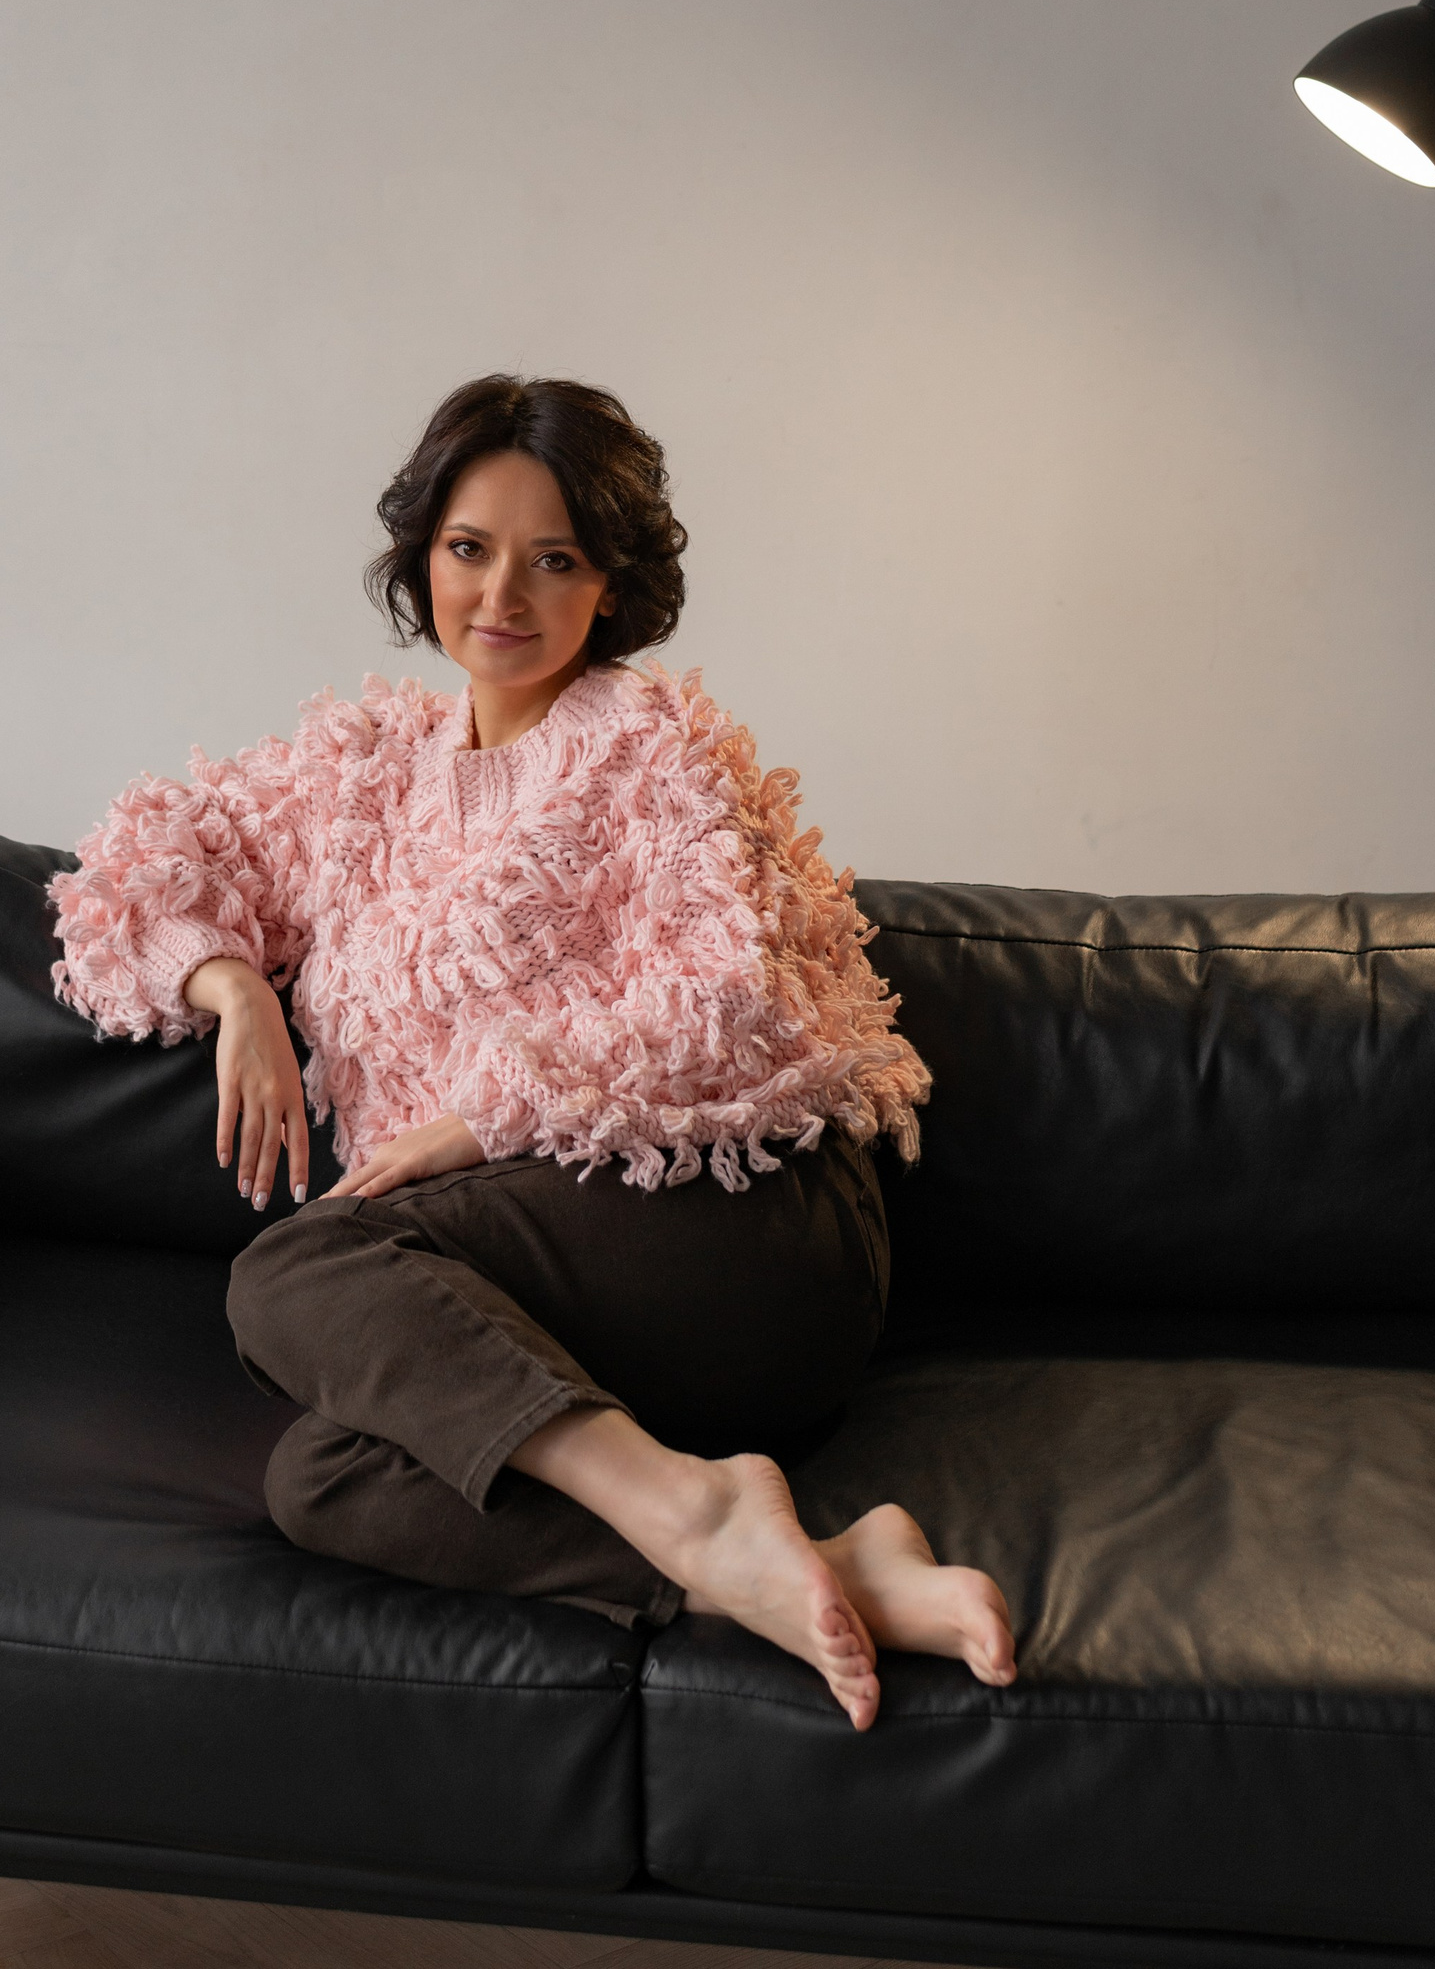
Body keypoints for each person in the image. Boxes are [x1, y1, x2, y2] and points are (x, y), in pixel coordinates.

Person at [51, 375, 1015, 1728]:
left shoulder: (653, 744)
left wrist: (481, 1123)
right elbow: (133, 864)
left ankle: (704, 1512)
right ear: (423, 557)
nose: (501, 593)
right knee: (323, 1477)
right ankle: (794, 1565)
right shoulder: (357, 767)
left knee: (295, 1268)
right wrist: (237, 988)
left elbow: (735, 998)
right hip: (547, 1296)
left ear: (610, 585)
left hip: (738, 1231)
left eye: (553, 558)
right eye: (469, 548)